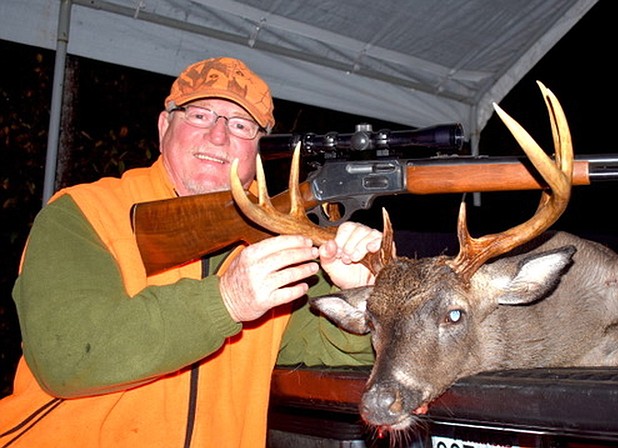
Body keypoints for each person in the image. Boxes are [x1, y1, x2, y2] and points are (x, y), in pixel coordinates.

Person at [0, 57, 377, 447]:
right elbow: (67, 356)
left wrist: (359, 298)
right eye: (200, 115)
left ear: (259, 151)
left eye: (241, 126)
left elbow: (328, 359)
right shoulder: (86, 212)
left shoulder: (275, 243)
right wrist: (225, 300)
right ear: (165, 126)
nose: (218, 136)